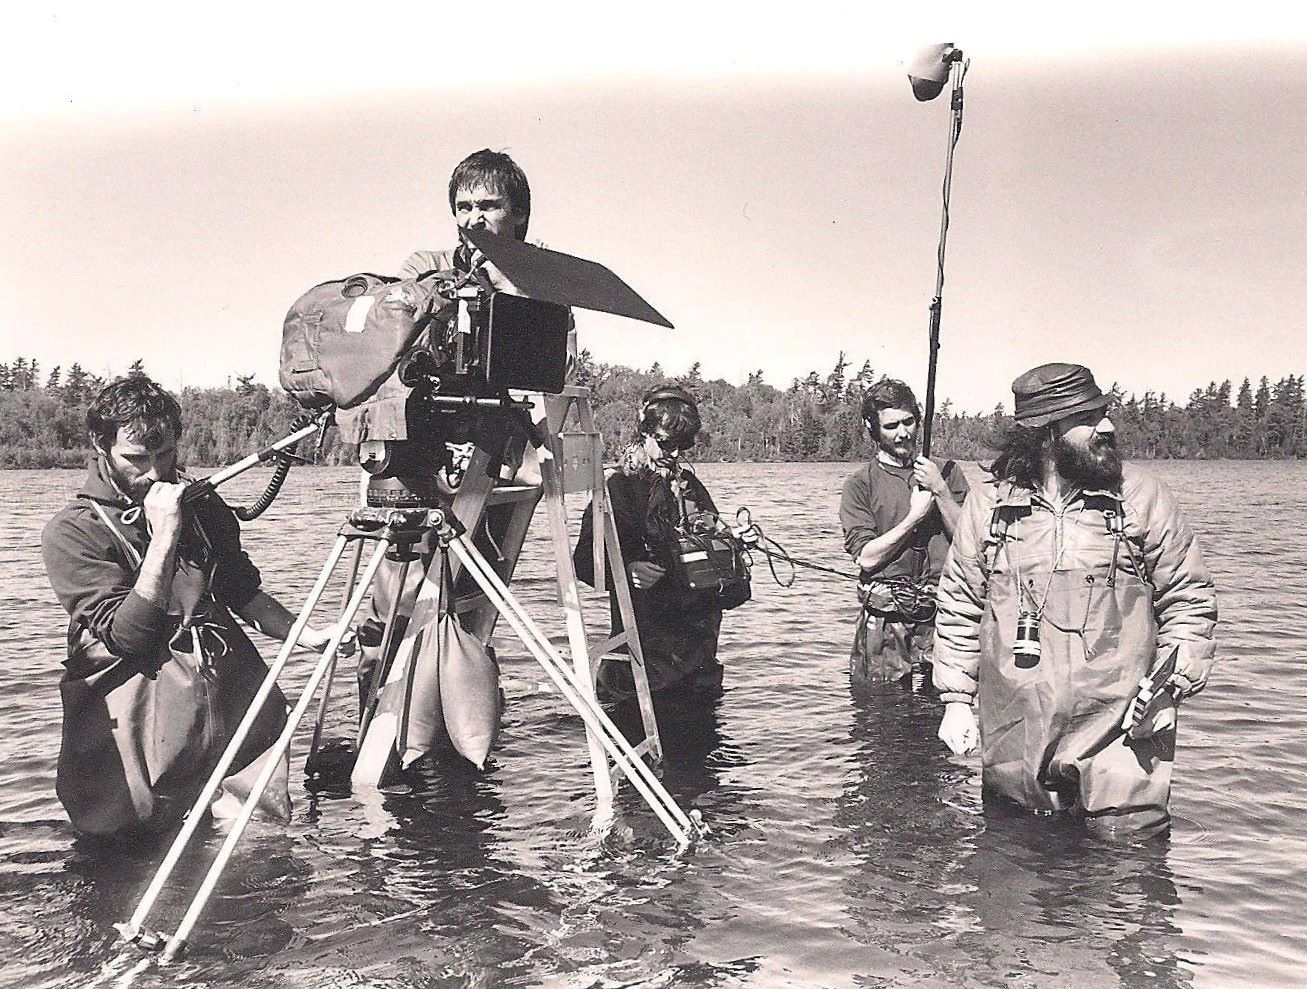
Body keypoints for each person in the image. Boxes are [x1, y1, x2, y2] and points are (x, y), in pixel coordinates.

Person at [41, 376, 347, 837]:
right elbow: (130, 637)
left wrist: (305, 634)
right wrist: (164, 535)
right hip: (141, 717)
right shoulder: (73, 532)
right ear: (100, 446)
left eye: (165, 454)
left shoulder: (201, 506)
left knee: (255, 848)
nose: (155, 473)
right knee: (131, 853)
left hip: (225, 698)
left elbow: (241, 590)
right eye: (136, 459)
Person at [933, 363, 1217, 832]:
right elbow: (960, 603)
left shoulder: (1142, 498)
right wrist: (956, 701)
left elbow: (1188, 599)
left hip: (1123, 736)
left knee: (1128, 882)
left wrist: (1171, 689)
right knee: (1012, 878)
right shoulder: (989, 507)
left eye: (1104, 412)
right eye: (1089, 417)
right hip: (1015, 738)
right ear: (1047, 433)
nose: (1108, 426)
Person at [573, 386, 728, 706]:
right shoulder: (618, 488)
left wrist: (733, 543)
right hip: (643, 663)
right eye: (666, 443)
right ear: (645, 432)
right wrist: (627, 569)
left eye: (682, 445)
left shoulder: (690, 487)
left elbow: (711, 542)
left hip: (698, 660)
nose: (673, 453)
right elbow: (584, 562)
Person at [839, 379, 969, 685]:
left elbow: (971, 543)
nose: (902, 433)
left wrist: (940, 490)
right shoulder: (860, 484)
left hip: (943, 620)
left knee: (944, 711)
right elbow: (867, 558)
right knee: (880, 715)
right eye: (891, 426)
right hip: (886, 626)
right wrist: (914, 517)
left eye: (909, 422)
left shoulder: (947, 473)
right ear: (871, 428)